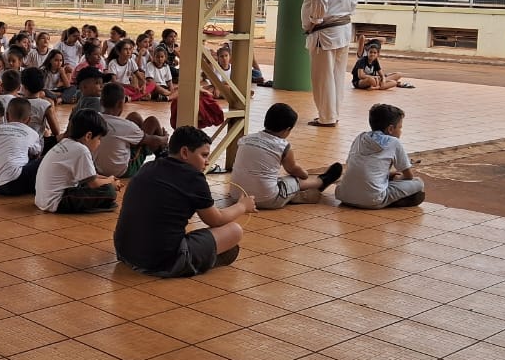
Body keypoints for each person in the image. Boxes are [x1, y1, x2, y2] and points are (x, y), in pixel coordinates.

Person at [114, 126, 256, 277]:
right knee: (235, 231)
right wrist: (242, 206)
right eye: (204, 155)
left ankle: (202, 256)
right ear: (184, 153)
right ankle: (195, 261)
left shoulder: (148, 167)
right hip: (161, 261)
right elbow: (216, 219)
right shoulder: (194, 178)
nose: (207, 162)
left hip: (124, 252)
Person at [230, 103, 343, 210]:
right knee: (293, 180)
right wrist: (304, 174)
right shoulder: (282, 146)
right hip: (268, 199)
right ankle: (321, 182)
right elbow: (292, 169)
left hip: (237, 196)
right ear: (287, 129)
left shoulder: (245, 139)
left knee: (270, 179)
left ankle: (298, 195)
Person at [302, 0, 358, 127]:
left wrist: (315, 21)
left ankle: (326, 117)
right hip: (342, 30)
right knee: (336, 75)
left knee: (323, 77)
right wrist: (344, 12)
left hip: (325, 32)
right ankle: (333, 114)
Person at [335, 103, 426, 209]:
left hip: (344, 195)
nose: (401, 131)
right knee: (418, 182)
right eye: (400, 128)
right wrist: (398, 178)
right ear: (390, 129)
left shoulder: (360, 137)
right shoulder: (394, 142)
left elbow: (355, 165)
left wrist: (388, 175)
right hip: (372, 200)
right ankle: (390, 200)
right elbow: (409, 176)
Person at [33, 109, 118, 214]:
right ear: (88, 136)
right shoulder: (82, 150)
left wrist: (108, 179)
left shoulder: (66, 142)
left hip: (42, 200)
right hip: (58, 202)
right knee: (109, 191)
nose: (99, 143)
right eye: (99, 138)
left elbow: (90, 176)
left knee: (95, 186)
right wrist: (110, 182)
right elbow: (93, 183)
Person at [93, 83, 167, 179]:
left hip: (98, 169)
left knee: (134, 116)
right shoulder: (125, 126)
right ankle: (162, 155)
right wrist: (164, 138)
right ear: (120, 103)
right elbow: (152, 140)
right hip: (122, 171)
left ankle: (136, 138)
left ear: (101, 102)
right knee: (152, 121)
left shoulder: (94, 119)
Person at [0, 98, 44, 196]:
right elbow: (36, 155)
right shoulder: (32, 133)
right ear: (29, 119)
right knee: (44, 160)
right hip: (15, 183)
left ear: (7, 116)